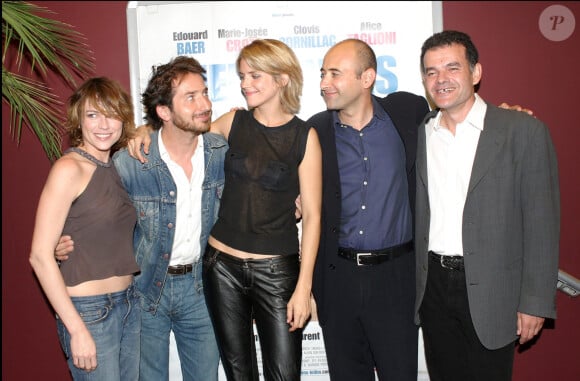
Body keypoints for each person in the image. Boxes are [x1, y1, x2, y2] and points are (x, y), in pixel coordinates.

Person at [56, 56, 225, 381]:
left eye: (204, 93)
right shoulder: (131, 162)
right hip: (145, 289)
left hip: (201, 289)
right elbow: (91, 209)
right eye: (191, 97)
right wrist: (60, 244)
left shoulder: (220, 151)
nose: (204, 103)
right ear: (164, 111)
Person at [414, 30, 560, 381]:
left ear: (476, 73)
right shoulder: (422, 132)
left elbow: (542, 224)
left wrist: (535, 302)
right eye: (432, 72)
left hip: (494, 288)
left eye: (452, 68)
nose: (441, 79)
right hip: (432, 287)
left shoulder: (522, 131)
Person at [306, 38, 429, 381]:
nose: (324, 83)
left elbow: (456, 120)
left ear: (367, 77)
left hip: (397, 278)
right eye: (322, 73)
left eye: (334, 73)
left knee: (399, 373)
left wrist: (505, 114)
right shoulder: (314, 130)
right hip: (338, 277)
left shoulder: (408, 112)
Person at [29, 77, 141, 380]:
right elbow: (39, 256)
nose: (104, 124)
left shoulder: (116, 165)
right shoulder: (69, 169)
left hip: (129, 304)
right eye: (93, 115)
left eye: (112, 114)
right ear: (79, 120)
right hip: (89, 313)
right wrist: (76, 328)